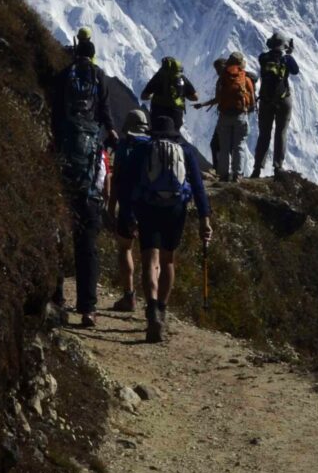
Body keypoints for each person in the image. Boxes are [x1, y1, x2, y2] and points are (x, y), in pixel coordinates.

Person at [114, 115, 212, 344]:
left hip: (148, 207)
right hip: (176, 210)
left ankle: (151, 311)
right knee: (168, 261)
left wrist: (127, 213)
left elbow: (126, 184)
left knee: (150, 259)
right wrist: (204, 218)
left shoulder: (143, 148)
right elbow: (198, 186)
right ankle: (163, 309)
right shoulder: (185, 151)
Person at [50, 28, 115, 328]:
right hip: (90, 171)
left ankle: (55, 297)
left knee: (58, 235)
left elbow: (53, 110)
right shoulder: (100, 77)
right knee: (87, 242)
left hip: (64, 164)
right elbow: (105, 114)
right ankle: (88, 308)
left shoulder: (63, 76)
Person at [106, 107, 152, 312]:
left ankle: (129, 296)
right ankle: (154, 304)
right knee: (152, 255)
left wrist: (110, 207)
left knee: (125, 248)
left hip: (127, 206)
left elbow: (116, 180)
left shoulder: (124, 146)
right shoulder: (152, 146)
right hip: (151, 206)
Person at [197, 52, 257, 182]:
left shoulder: (222, 79)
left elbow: (218, 98)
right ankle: (237, 175)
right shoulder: (245, 78)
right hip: (240, 116)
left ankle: (223, 175)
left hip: (224, 116)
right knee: (239, 145)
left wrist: (204, 104)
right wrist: (247, 109)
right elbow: (252, 100)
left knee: (223, 146)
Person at [252, 34, 299, 178]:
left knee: (264, 134)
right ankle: (278, 166)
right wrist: (289, 53)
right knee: (281, 133)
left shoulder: (263, 58)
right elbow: (295, 71)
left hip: (266, 100)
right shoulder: (286, 59)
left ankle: (257, 168)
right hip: (283, 99)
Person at [140, 57, 199, 131]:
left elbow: (144, 96)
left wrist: (153, 95)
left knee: (156, 135)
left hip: (158, 113)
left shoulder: (158, 77)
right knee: (174, 136)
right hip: (175, 114)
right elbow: (195, 97)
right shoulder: (182, 78)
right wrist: (182, 94)